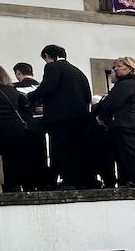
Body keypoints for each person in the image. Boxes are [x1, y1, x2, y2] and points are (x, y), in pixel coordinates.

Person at [31, 44, 93, 188]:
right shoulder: (78, 72)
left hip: (60, 118)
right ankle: (82, 181)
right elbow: (88, 95)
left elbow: (47, 87)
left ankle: (68, 180)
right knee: (77, 149)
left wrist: (30, 97)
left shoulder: (52, 67)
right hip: (80, 118)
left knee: (61, 149)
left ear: (47, 56)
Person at [96, 57, 135, 187]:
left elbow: (111, 103)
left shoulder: (125, 84)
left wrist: (101, 117)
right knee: (132, 151)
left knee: (128, 152)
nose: (115, 69)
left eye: (119, 66)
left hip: (125, 122)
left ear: (129, 68)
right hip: (134, 121)